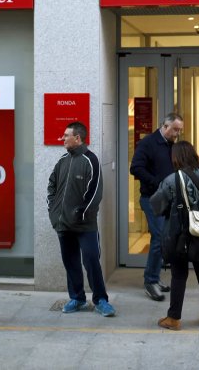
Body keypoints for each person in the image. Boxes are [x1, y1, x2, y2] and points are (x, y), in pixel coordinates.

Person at [149, 141, 199, 330]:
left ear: (176, 157)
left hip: (177, 236)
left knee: (178, 275)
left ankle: (174, 319)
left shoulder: (170, 180)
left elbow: (156, 206)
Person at [47, 121, 116, 317]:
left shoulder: (91, 160)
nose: (63, 138)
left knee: (92, 260)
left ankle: (101, 299)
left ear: (77, 138)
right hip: (63, 224)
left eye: (66, 135)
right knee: (71, 262)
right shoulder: (62, 160)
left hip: (85, 225)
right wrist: (53, 210)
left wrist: (80, 214)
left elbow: (95, 193)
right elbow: (51, 186)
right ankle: (77, 298)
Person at [130, 112, 184, 301]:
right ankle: (150, 281)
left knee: (165, 237)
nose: (177, 134)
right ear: (165, 125)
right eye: (175, 129)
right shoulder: (148, 143)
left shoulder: (171, 144)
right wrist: (156, 183)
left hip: (168, 198)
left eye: (179, 130)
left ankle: (155, 277)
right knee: (159, 236)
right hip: (152, 198)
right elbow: (135, 168)